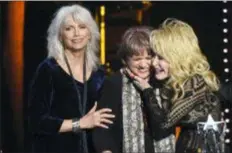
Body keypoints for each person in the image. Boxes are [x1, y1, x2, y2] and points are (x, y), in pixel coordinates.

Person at [28, 4, 115, 153]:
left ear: (90, 34)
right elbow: (36, 122)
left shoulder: (99, 73)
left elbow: (106, 119)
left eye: (82, 27)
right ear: (60, 35)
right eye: (69, 28)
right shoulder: (48, 69)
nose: (76, 34)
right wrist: (80, 123)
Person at [126, 19, 222, 153]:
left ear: (177, 57)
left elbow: (163, 124)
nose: (153, 63)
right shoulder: (179, 83)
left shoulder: (196, 83)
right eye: (154, 56)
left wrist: (146, 90)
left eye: (160, 57)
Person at [92, 26, 175, 153]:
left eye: (148, 58)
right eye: (137, 59)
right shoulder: (114, 83)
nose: (143, 65)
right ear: (125, 60)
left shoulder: (162, 80)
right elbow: (103, 128)